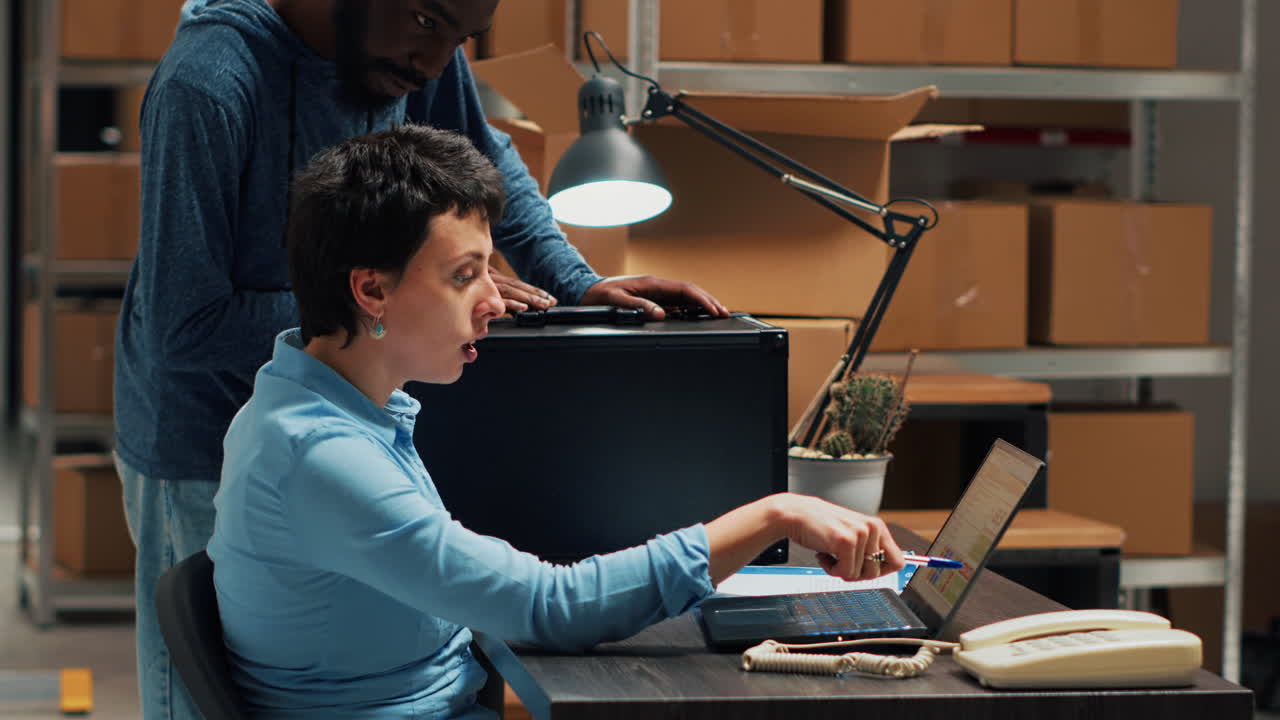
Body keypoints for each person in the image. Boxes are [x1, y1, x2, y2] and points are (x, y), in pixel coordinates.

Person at [114, 1, 726, 717]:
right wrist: (399, 298)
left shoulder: (408, 41)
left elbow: (478, 157)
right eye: (430, 23)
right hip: (202, 432)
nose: (436, 62)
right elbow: (183, 326)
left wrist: (575, 280)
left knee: (376, 664)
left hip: (341, 400)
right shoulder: (210, 81)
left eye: (461, 37)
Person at [206, 123, 905, 719]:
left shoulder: (324, 404)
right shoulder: (320, 455)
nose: (493, 300)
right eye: (463, 276)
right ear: (371, 289)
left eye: (490, 270)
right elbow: (552, 606)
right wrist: (774, 517)